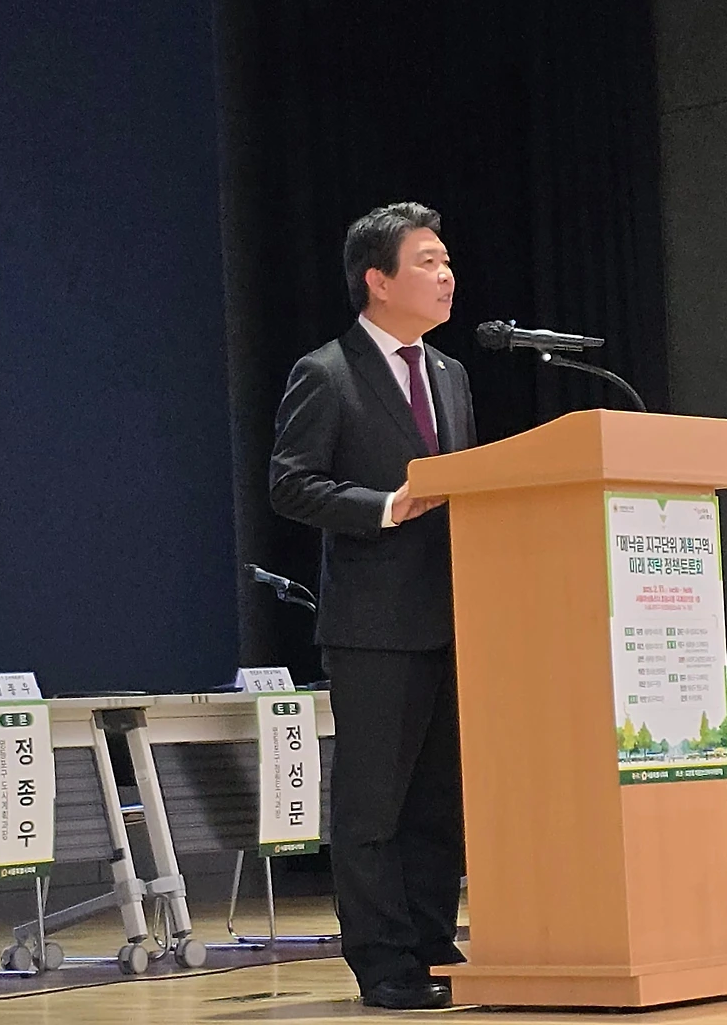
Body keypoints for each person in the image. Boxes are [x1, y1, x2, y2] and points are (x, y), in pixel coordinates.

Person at [269, 202, 476, 1011]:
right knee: (373, 807)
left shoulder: (450, 374)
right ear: (377, 280)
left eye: (447, 260)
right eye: (428, 261)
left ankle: (433, 942)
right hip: (375, 626)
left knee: (438, 801)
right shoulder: (327, 373)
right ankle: (383, 961)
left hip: (454, 616)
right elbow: (291, 484)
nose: (446, 275)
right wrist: (385, 506)